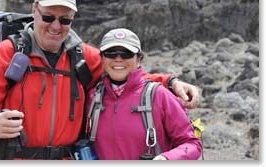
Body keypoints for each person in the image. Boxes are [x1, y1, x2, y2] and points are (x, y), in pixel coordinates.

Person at [0, 0, 200, 160]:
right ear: (34, 10)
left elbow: (124, 72)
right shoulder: (7, 54)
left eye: (65, 20)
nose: (56, 26)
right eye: (48, 17)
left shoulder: (82, 56)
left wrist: (169, 82)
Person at [87, 28, 203, 160]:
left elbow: (192, 144)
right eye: (111, 53)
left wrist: (167, 158)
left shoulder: (160, 96)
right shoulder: (93, 98)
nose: (118, 59)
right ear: (101, 58)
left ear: (139, 59)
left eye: (126, 54)